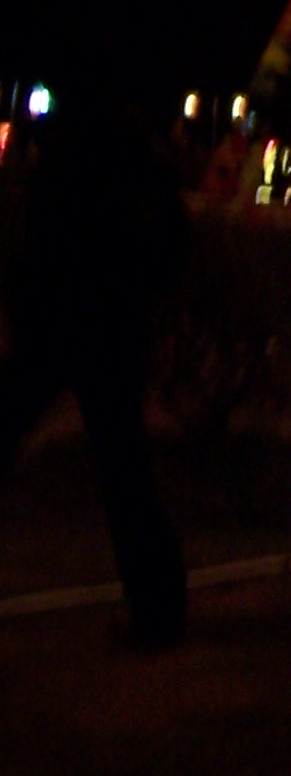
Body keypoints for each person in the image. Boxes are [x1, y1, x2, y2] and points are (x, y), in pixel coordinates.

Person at [0, 76, 190, 649]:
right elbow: (173, 244)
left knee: (103, 459)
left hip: (59, 321)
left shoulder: (66, 152)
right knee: (124, 469)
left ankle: (157, 611)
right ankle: (158, 611)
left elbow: (35, 241)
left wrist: (26, 310)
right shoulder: (140, 156)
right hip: (113, 325)